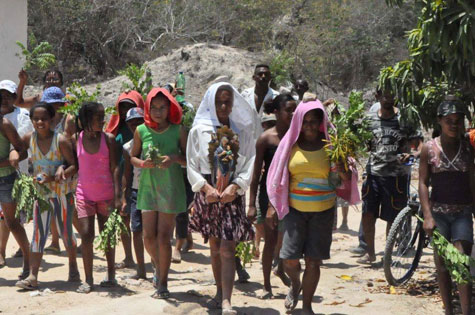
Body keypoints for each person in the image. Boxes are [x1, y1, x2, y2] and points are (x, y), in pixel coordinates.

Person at [266, 100, 354, 314]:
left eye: (314, 122)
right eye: (305, 122)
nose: (310, 126)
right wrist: (272, 205)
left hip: (323, 212)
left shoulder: (333, 146)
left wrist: (342, 168)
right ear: (298, 122)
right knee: (289, 260)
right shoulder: (289, 146)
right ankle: (296, 284)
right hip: (294, 210)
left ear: (321, 122)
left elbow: (345, 179)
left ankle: (306, 306)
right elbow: (277, 176)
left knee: (313, 262)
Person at [187, 82, 255, 314]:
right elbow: (191, 164)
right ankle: (218, 291)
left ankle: (227, 300)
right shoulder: (199, 130)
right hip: (209, 194)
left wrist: (235, 187)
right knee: (215, 245)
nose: (224, 106)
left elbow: (249, 163)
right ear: (211, 102)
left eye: (228, 101)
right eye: (219, 102)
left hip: (230, 195)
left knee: (228, 247)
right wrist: (205, 188)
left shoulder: (241, 130)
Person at [130, 88, 187, 299]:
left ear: (169, 108)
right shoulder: (141, 131)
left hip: (170, 188)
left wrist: (172, 158)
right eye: (153, 107)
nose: (158, 111)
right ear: (147, 108)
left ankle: (163, 282)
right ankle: (157, 264)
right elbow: (133, 157)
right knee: (147, 237)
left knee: (164, 238)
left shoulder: (178, 130)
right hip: (148, 187)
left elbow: (188, 159)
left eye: (162, 107)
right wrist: (142, 163)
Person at [15, 102, 79, 290]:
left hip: (62, 195)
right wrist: (13, 155)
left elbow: (74, 165)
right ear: (32, 121)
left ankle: (73, 268)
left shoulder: (61, 140)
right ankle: (33, 276)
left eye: (44, 118)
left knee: (66, 232)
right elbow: (18, 150)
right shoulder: (29, 138)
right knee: (38, 233)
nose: (40, 122)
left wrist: (59, 174)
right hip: (41, 196)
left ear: (52, 119)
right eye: (36, 119)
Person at [419, 98, 474, 315]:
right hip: (439, 213)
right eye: (449, 120)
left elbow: (472, 180)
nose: (454, 125)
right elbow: (423, 182)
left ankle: (467, 310)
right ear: (439, 121)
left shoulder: (468, 149)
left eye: (458, 120)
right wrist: (427, 215)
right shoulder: (429, 149)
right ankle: (448, 310)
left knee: (461, 261)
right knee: (442, 265)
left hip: (463, 212)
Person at [357, 89, 422, 264]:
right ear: (377, 96)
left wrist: (412, 154)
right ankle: (370, 253)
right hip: (373, 174)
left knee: (393, 217)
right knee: (368, 214)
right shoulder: (370, 119)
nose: (389, 98)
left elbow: (418, 143)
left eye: (392, 94)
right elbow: (365, 143)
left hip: (396, 176)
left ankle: (387, 256)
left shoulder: (405, 119)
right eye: (385, 95)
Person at [248, 93, 296, 299]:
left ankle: (286, 273)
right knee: (270, 240)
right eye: (289, 110)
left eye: (295, 110)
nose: (293, 114)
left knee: (292, 239)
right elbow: (256, 173)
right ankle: (267, 285)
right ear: (276, 111)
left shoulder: (298, 136)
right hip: (270, 195)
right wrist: (251, 204)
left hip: (294, 193)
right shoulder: (266, 139)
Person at [75, 102, 120, 293]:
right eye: (98, 117)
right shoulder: (76, 138)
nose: (102, 121)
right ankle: (88, 279)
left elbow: (115, 167)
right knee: (86, 234)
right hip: (84, 193)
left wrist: (118, 195)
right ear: (86, 119)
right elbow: (73, 165)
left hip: (106, 195)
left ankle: (110, 275)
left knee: (107, 234)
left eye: (103, 117)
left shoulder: (108, 139)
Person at [106, 90, 144, 270]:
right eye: (122, 107)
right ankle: (129, 256)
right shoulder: (117, 129)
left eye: (130, 106)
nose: (125, 110)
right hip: (120, 176)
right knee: (123, 218)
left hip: (140, 177)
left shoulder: (143, 129)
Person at [0, 79, 33, 266]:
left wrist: (12, 156)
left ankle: (29, 260)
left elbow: (23, 149)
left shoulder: (9, 122)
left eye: (7, 96)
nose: (4, 100)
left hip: (9, 177)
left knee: (11, 221)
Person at [121, 107, 146, 280]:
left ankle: (157, 268)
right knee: (136, 230)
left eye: (139, 122)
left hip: (154, 190)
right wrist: (124, 197)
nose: (135, 126)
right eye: (132, 123)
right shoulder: (127, 147)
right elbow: (127, 173)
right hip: (137, 190)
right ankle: (141, 269)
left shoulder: (153, 142)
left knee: (153, 233)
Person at [241, 64, 279, 139]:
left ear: (270, 78)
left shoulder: (276, 97)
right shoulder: (244, 95)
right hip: (247, 142)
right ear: (254, 77)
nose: (263, 76)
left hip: (267, 143)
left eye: (266, 74)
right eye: (260, 74)